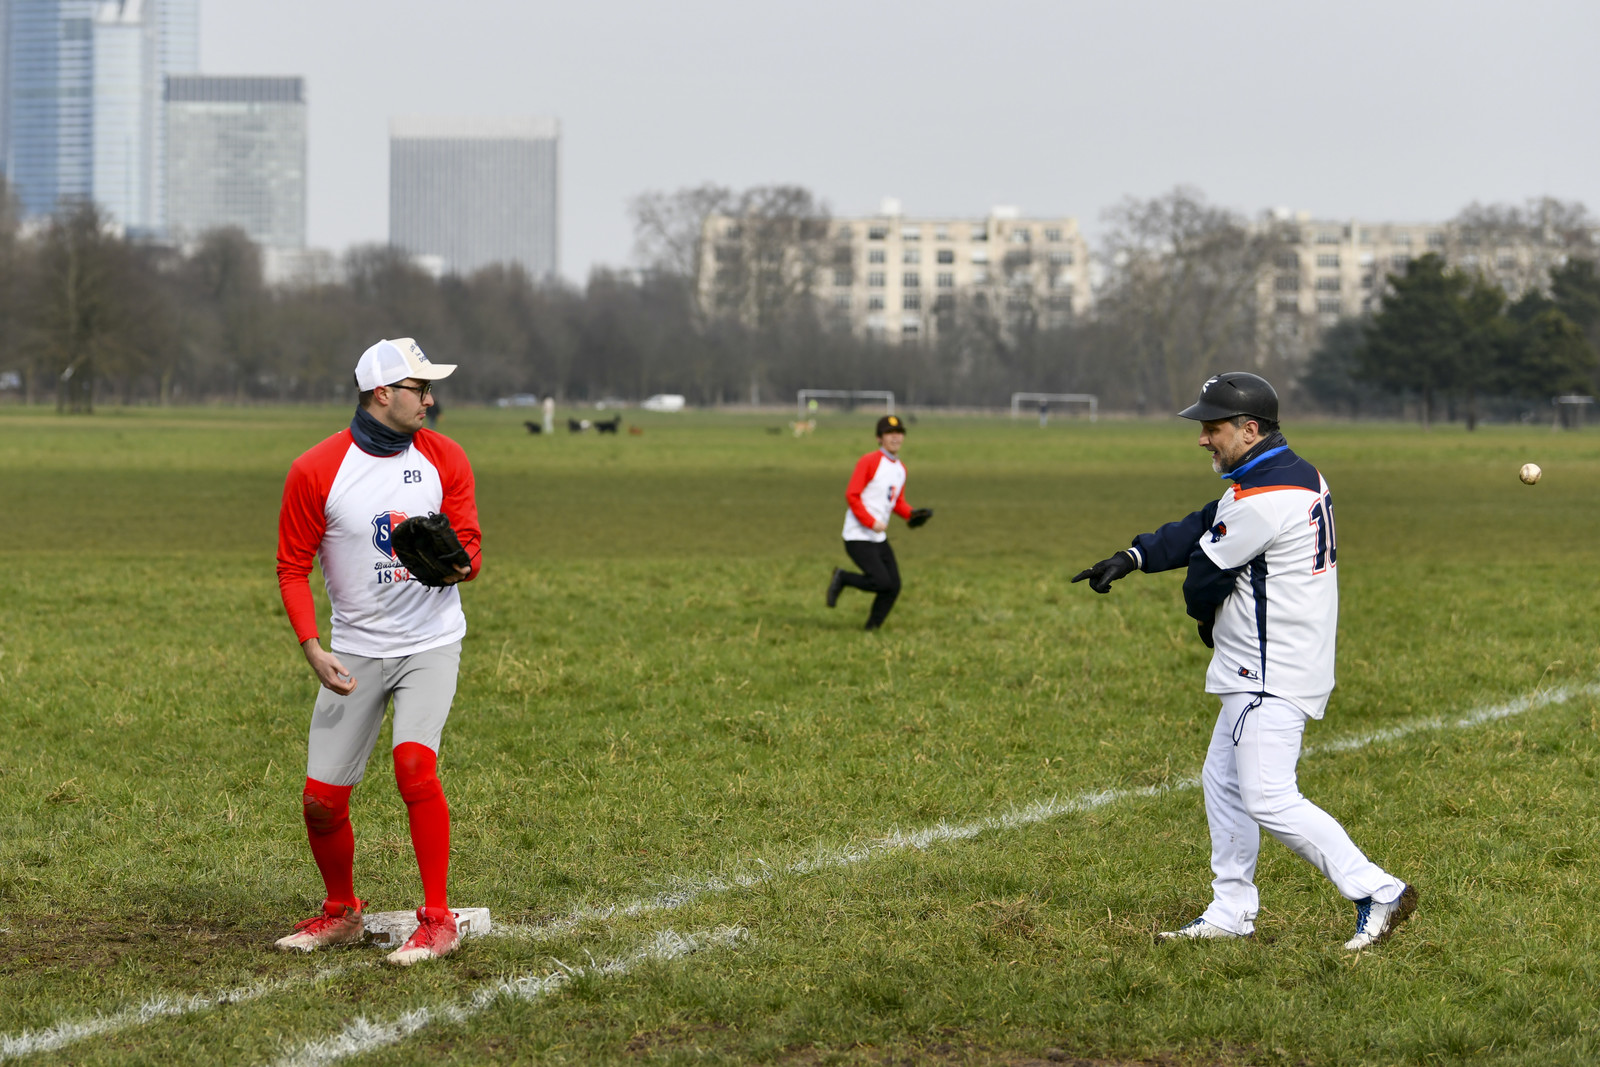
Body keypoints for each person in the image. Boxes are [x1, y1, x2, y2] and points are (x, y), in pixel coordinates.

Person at [1072, 372, 1416, 950]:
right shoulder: (1287, 473)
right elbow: (1208, 520)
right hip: (1276, 660)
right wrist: (1133, 555)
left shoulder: (1265, 499)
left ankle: (1378, 890)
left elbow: (1203, 577)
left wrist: (1204, 620)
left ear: (1249, 429)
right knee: (1225, 784)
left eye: (1213, 428)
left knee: (1268, 796)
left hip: (1269, 668)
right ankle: (1231, 910)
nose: (1203, 438)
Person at [274, 337, 482, 965]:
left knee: (415, 768)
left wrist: (453, 568)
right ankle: (341, 913)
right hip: (356, 651)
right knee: (320, 800)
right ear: (382, 394)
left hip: (429, 643)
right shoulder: (316, 469)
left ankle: (438, 919)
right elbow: (291, 566)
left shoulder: (445, 457)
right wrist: (312, 646)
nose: (431, 398)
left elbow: (468, 551)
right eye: (420, 389)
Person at [827, 414, 921, 631]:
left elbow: (896, 502)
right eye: (889, 433)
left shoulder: (900, 469)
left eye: (899, 433)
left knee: (894, 586)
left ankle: (872, 629)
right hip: (857, 535)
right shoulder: (869, 461)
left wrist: (913, 515)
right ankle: (843, 578)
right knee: (881, 582)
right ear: (879, 438)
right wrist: (870, 522)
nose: (895, 437)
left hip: (878, 537)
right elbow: (852, 495)